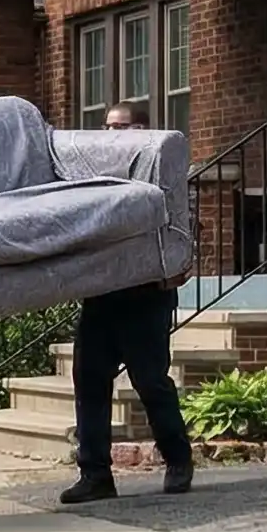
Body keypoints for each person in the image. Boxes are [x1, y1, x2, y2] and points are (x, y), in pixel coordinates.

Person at [63, 102, 194, 503]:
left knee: (150, 381)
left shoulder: (163, 176)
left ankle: (177, 459)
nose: (110, 135)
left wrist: (177, 269)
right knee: (89, 381)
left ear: (142, 129)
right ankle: (95, 474)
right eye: (106, 127)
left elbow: (185, 237)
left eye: (120, 127)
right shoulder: (95, 179)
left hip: (146, 298)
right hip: (102, 298)